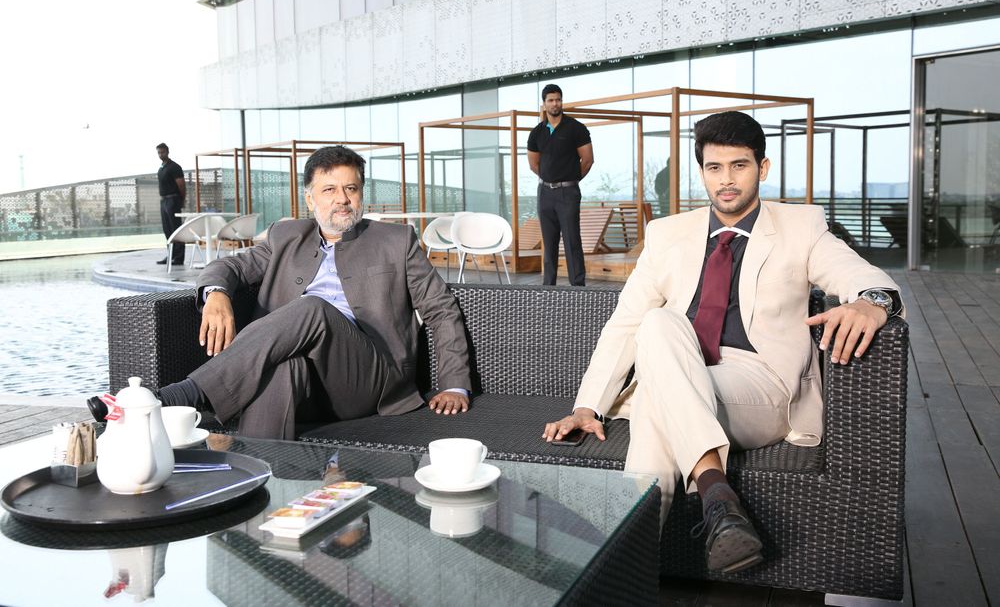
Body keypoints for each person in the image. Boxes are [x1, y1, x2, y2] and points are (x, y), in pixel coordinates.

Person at [542, 111, 902, 574]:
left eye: (739, 166)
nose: (726, 180)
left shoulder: (801, 227)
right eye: (715, 168)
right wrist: (587, 406)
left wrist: (872, 303)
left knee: (655, 394)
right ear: (702, 172)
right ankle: (713, 504)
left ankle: (615, 566)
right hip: (682, 367)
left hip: (762, 384)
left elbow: (863, 277)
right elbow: (625, 323)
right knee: (656, 323)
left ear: (762, 168)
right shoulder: (668, 234)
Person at [91, 145, 471, 438]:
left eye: (351, 188)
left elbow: (441, 309)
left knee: (312, 308)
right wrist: (216, 294)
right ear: (310, 199)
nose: (341, 198)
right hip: (304, 383)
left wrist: (455, 385)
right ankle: (256, 489)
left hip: (367, 379)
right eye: (329, 189)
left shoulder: (395, 240)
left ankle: (182, 396)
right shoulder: (285, 236)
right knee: (282, 367)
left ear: (361, 195)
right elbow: (229, 267)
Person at [526, 84, 595, 286]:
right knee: (549, 244)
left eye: (558, 99)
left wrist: (570, 179)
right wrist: (550, 179)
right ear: (544, 104)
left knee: (572, 241)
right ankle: (548, 288)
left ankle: (578, 288)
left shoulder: (576, 128)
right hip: (544, 193)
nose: (555, 103)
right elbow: (534, 164)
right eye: (551, 100)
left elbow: (588, 160)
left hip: (568, 193)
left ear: (561, 101)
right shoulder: (537, 132)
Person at [155, 143, 186, 266]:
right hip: (164, 201)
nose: (161, 155)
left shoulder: (174, 167)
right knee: (167, 229)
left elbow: (181, 186)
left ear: (167, 152)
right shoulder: (162, 168)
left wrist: (181, 200)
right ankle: (171, 255)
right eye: (159, 152)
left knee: (175, 229)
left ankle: (178, 258)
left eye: (162, 152)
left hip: (173, 200)